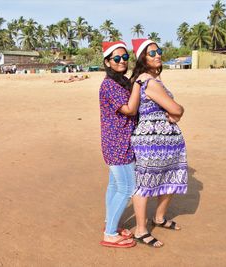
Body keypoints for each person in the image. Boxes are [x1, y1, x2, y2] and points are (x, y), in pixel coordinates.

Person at [130, 38, 188, 248]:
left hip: (166, 140)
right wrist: (177, 112)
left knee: (169, 177)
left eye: (158, 51)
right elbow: (176, 109)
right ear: (142, 59)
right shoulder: (148, 80)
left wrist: (174, 113)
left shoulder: (154, 78)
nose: (157, 55)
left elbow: (173, 111)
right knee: (145, 183)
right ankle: (140, 229)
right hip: (152, 141)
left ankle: (159, 218)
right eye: (151, 53)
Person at [99, 41, 141, 248]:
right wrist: (140, 85)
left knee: (115, 185)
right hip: (118, 143)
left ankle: (111, 223)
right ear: (107, 62)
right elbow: (130, 110)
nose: (122, 61)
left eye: (125, 57)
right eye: (116, 58)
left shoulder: (121, 81)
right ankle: (109, 234)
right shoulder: (109, 84)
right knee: (127, 188)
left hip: (116, 140)